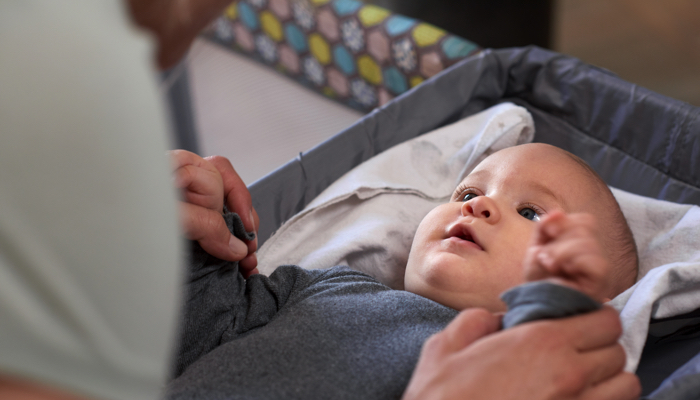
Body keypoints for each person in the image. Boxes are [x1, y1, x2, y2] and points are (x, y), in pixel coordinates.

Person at [166, 143, 641, 399]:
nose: (481, 208)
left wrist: (556, 322)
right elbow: (197, 332)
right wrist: (195, 242)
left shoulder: (525, 374)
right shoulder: (328, 286)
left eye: (533, 214)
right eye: (468, 195)